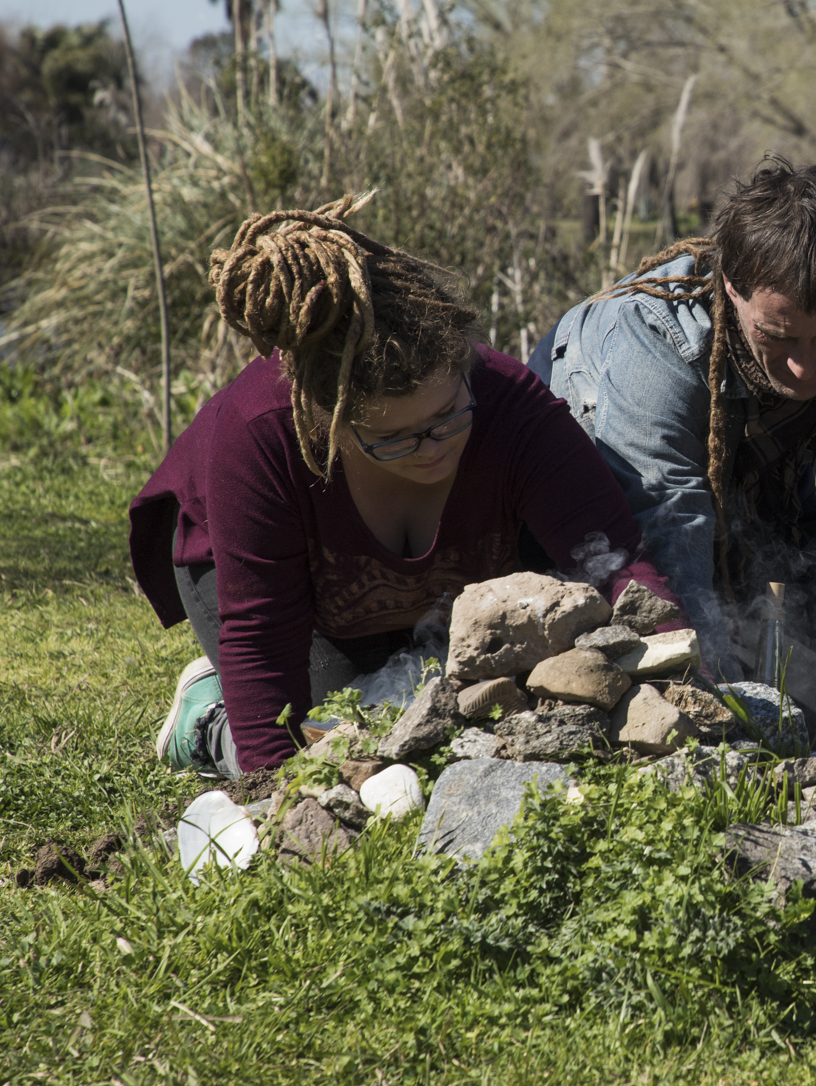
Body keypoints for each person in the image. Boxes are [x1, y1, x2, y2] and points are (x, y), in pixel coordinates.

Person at [129, 196, 681, 776]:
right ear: (327, 423)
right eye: (394, 438)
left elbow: (617, 560)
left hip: (427, 593)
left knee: (473, 715)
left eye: (448, 415)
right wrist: (275, 784)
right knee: (337, 738)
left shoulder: (509, 404)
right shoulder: (258, 436)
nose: (434, 447)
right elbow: (263, 636)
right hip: (272, 590)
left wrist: (683, 688)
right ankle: (206, 721)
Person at [531, 160, 816, 743]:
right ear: (731, 287)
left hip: (762, 430)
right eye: (778, 335)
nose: (805, 366)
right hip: (591, 408)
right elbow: (670, 524)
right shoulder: (656, 334)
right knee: (647, 642)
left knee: (803, 682)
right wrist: (714, 716)